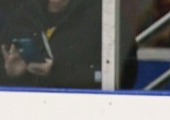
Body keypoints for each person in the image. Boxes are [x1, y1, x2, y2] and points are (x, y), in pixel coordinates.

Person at [0, 0, 137, 89]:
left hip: (85, 114)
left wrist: (57, 72)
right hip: (29, 114)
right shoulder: (23, 15)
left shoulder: (106, 16)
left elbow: (122, 76)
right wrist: (11, 75)